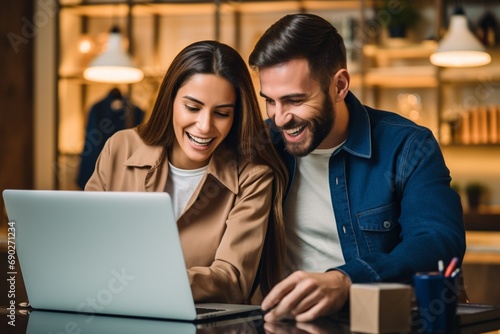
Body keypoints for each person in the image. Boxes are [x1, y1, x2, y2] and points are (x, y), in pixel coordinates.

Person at [248, 13, 466, 322]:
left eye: (295, 100)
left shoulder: (409, 147)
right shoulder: (263, 146)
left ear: (339, 86)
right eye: (270, 101)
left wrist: (346, 280)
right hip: (284, 323)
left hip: (381, 323)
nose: (280, 118)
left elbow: (438, 242)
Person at [85, 40, 288, 304]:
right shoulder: (120, 148)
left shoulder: (254, 177)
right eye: (192, 108)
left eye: (222, 113)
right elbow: (86, 245)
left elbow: (232, 280)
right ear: (170, 100)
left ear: (236, 115)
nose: (204, 126)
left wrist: (144, 283)